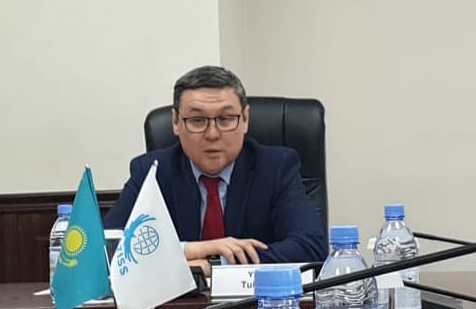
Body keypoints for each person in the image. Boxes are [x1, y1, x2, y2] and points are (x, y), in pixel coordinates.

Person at [104, 65, 327, 266]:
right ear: (175, 122)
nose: (212, 134)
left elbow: (311, 247)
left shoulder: (276, 168)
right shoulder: (151, 172)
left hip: (256, 297)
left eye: (226, 119)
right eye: (197, 121)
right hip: (177, 300)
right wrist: (193, 251)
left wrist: (216, 263)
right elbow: (106, 249)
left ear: (245, 120)